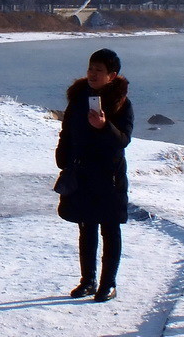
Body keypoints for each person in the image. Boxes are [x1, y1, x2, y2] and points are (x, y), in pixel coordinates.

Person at [55, 48, 134, 302]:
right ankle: (87, 281)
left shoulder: (122, 103)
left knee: (110, 229)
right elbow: (66, 131)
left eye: (98, 70)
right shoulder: (78, 98)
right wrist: (63, 159)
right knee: (86, 227)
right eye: (90, 68)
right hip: (83, 173)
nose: (92, 74)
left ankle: (108, 284)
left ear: (112, 75)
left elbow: (123, 140)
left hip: (109, 176)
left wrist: (104, 126)